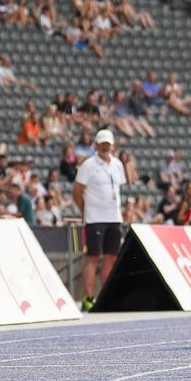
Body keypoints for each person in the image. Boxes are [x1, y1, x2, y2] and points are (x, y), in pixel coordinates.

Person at [74, 129, 126, 311]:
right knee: (93, 258)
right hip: (95, 218)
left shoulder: (118, 164)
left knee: (111, 257)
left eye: (108, 144)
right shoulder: (88, 165)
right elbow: (77, 192)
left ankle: (106, 296)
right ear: (96, 144)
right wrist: (85, 211)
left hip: (114, 218)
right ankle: (88, 297)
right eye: (102, 143)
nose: (105, 146)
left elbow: (118, 189)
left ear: (112, 145)